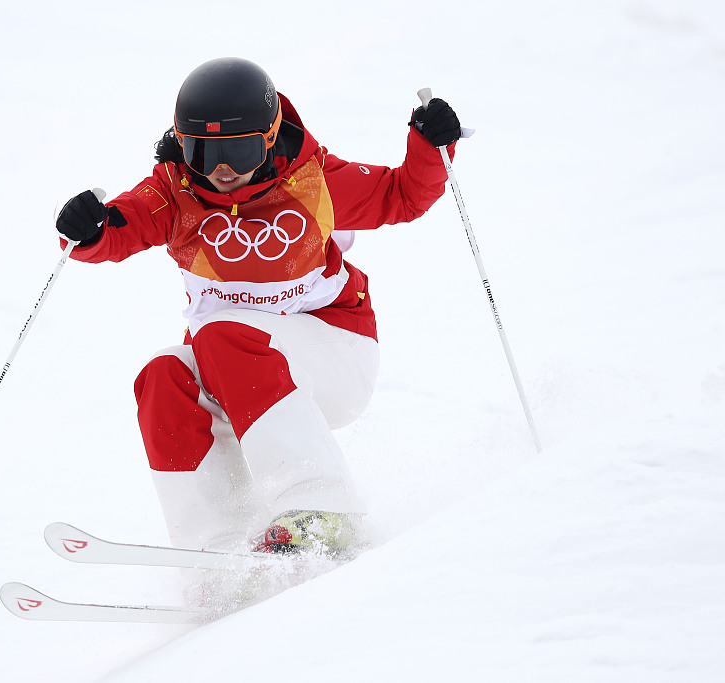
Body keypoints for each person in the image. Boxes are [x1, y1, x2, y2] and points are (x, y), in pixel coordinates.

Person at [55, 57, 460, 559]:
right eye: (203, 153)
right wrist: (89, 228)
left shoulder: (314, 184)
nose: (222, 171)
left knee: (222, 334)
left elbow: (403, 196)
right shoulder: (173, 194)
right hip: (240, 379)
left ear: (269, 139)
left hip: (334, 353)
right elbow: (118, 228)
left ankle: (320, 508)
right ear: (182, 146)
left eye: (240, 150)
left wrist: (429, 146)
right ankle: (217, 551)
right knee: (162, 375)